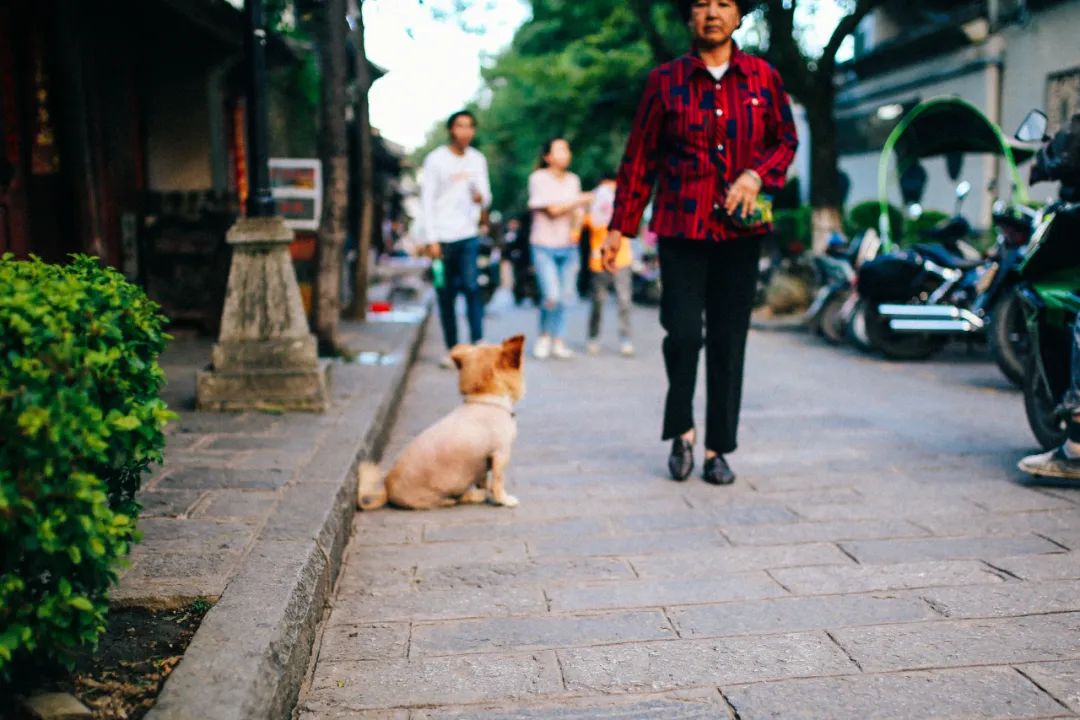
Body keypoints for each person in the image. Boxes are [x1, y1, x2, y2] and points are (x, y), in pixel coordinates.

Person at [602, 0, 798, 486]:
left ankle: (717, 448)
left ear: (738, 16)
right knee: (684, 333)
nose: (712, 12)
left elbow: (786, 140)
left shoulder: (762, 78)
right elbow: (640, 158)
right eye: (702, 4)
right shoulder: (664, 81)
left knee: (730, 341)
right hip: (681, 226)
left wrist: (757, 175)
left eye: (724, 3)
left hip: (741, 229)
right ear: (690, 16)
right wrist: (618, 228)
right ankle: (681, 429)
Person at [420, 110, 492, 367]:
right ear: (451, 130)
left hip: (468, 234)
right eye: (460, 126)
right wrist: (432, 238)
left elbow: (486, 197)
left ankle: (478, 341)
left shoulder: (477, 159)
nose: (465, 131)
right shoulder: (436, 160)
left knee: (473, 287)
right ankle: (453, 349)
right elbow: (427, 200)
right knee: (446, 293)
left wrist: (480, 198)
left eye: (470, 126)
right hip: (442, 236)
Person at [527, 137, 593, 360]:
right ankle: (544, 336)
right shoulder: (538, 179)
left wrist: (577, 223)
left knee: (565, 295)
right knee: (551, 295)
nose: (565, 153)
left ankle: (558, 340)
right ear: (548, 157)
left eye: (566, 149)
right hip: (544, 245)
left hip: (568, 246)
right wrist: (580, 199)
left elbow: (577, 214)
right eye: (559, 150)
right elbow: (552, 210)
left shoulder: (573, 180)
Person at [585, 173, 634, 357]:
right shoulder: (593, 204)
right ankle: (593, 336)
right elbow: (585, 225)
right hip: (599, 260)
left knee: (624, 301)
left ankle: (626, 338)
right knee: (598, 301)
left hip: (622, 258)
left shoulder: (624, 201)